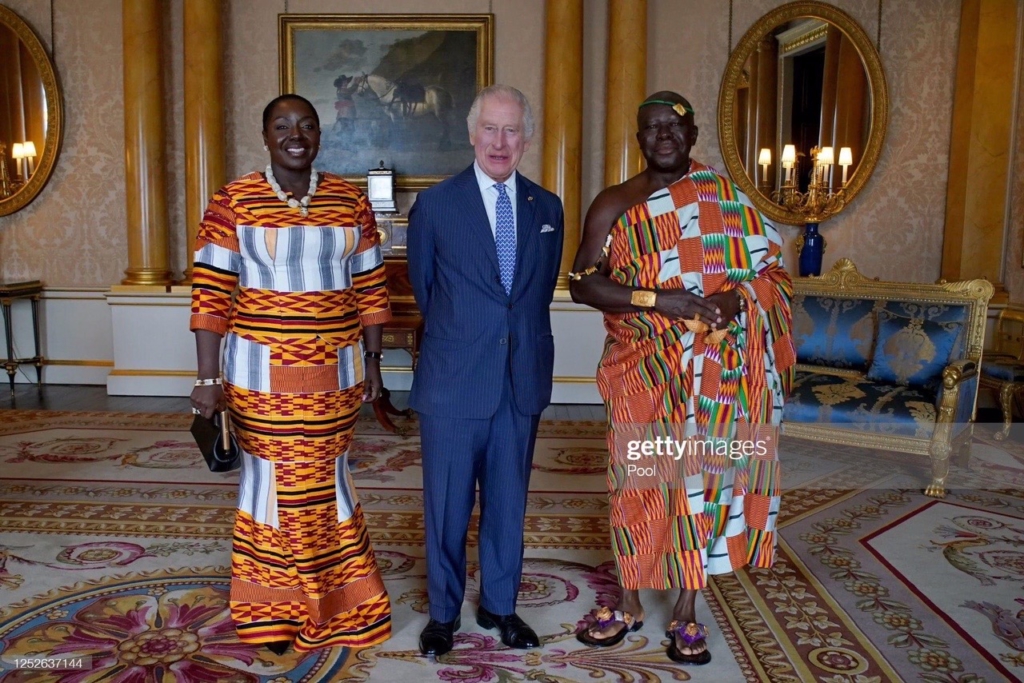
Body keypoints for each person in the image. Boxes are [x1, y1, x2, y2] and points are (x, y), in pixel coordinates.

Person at [568, 91, 795, 665]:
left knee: (706, 484)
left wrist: (738, 301)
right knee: (640, 483)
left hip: (715, 373)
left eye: (674, 126)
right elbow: (583, 283)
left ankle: (688, 607)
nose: (663, 135)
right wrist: (661, 300)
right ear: (638, 138)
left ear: (693, 135)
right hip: (643, 370)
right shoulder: (614, 203)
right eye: (651, 127)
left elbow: (771, 275)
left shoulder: (727, 198)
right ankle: (630, 598)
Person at [189, 94, 392, 654]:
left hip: (337, 378)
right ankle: (272, 612)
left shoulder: (351, 200)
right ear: (266, 136)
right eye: (282, 125)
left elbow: (371, 290)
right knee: (270, 486)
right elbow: (210, 294)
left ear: (320, 134)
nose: (295, 134)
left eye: (306, 125)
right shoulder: (233, 201)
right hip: (258, 380)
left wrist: (375, 362)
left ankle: (342, 603)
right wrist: (208, 380)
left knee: (328, 481)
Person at [407, 84, 564, 657]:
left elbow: (536, 293)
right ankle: (443, 614)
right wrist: (467, 337)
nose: (501, 142)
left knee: (508, 501)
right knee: (447, 504)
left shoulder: (547, 208)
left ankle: (501, 606)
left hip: (519, 379)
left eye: (512, 130)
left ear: (527, 138)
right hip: (453, 380)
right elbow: (425, 289)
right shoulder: (437, 204)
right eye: (490, 129)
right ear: (472, 134)